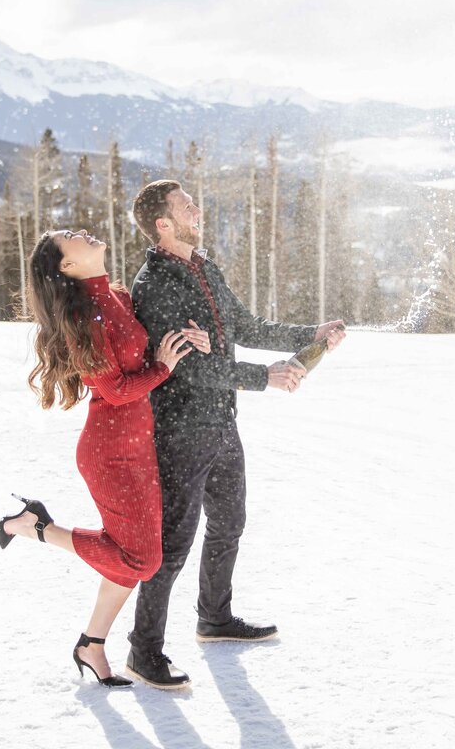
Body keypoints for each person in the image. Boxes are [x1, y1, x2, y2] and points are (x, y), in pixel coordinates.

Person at [124, 180, 347, 690]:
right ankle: (143, 650)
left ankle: (214, 618)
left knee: (229, 522)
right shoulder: (155, 284)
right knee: (174, 543)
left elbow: (241, 325)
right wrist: (261, 377)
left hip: (221, 421)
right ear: (163, 224)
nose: (195, 209)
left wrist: (306, 336)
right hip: (180, 429)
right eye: (185, 206)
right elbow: (189, 368)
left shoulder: (202, 267)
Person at [0, 228, 211, 687]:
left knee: (130, 557)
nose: (81, 232)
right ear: (66, 267)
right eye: (68, 238)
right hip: (111, 453)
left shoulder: (114, 295)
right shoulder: (84, 317)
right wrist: (163, 368)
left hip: (138, 447)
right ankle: (33, 526)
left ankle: (91, 644)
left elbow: (141, 351)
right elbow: (115, 391)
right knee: (142, 561)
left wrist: (187, 342)